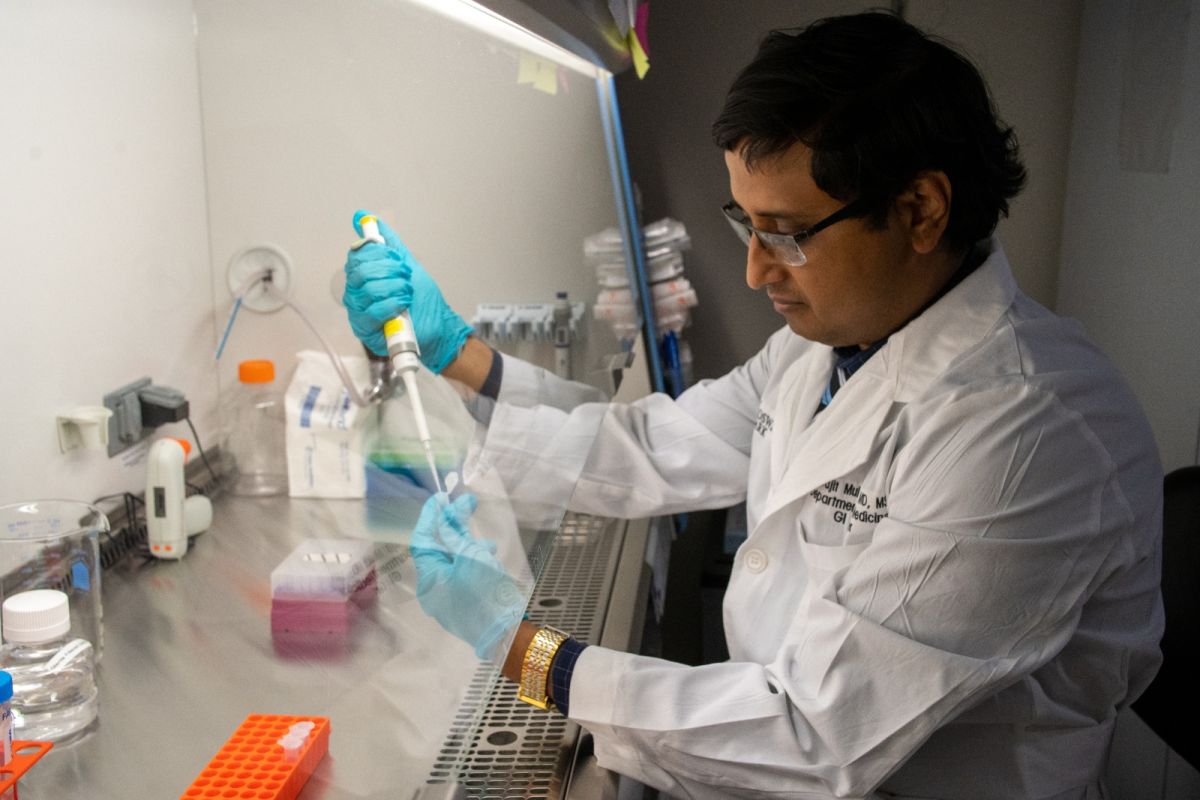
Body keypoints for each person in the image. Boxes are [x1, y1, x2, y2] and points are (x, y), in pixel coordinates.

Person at [342, 11, 1163, 799]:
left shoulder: (1028, 434)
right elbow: (654, 445)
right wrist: (458, 359)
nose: (756, 272)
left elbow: (813, 739)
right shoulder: (828, 344)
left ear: (920, 211)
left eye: (788, 233)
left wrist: (522, 649)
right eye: (747, 225)